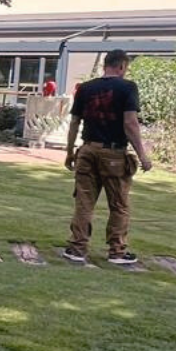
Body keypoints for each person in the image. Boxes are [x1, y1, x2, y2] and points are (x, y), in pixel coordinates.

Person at [61, 49, 152, 265]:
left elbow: (74, 122)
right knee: (119, 205)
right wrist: (142, 155)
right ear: (122, 66)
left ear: (105, 65)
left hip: (87, 151)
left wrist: (70, 152)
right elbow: (130, 123)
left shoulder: (85, 88)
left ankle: (77, 248)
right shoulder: (128, 87)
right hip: (114, 154)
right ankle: (117, 252)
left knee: (84, 203)